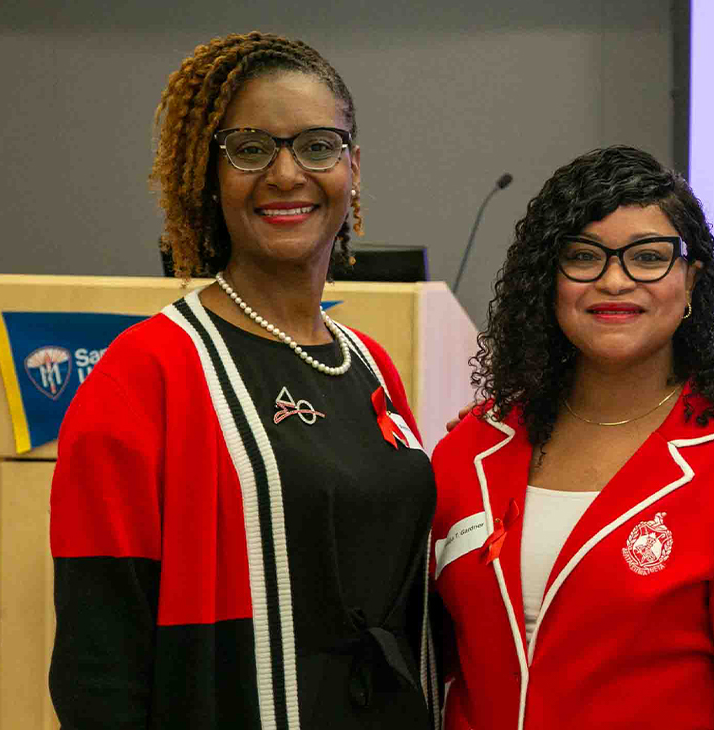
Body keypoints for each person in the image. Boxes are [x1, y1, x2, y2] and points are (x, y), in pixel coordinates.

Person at [49, 32, 440, 729]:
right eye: (251, 149)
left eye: (317, 145)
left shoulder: (371, 366)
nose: (286, 174)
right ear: (209, 173)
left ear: (351, 166)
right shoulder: (147, 373)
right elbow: (97, 667)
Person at [431, 145, 714, 729]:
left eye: (648, 258)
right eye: (583, 257)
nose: (615, 280)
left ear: (692, 280)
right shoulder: (471, 447)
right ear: (548, 281)